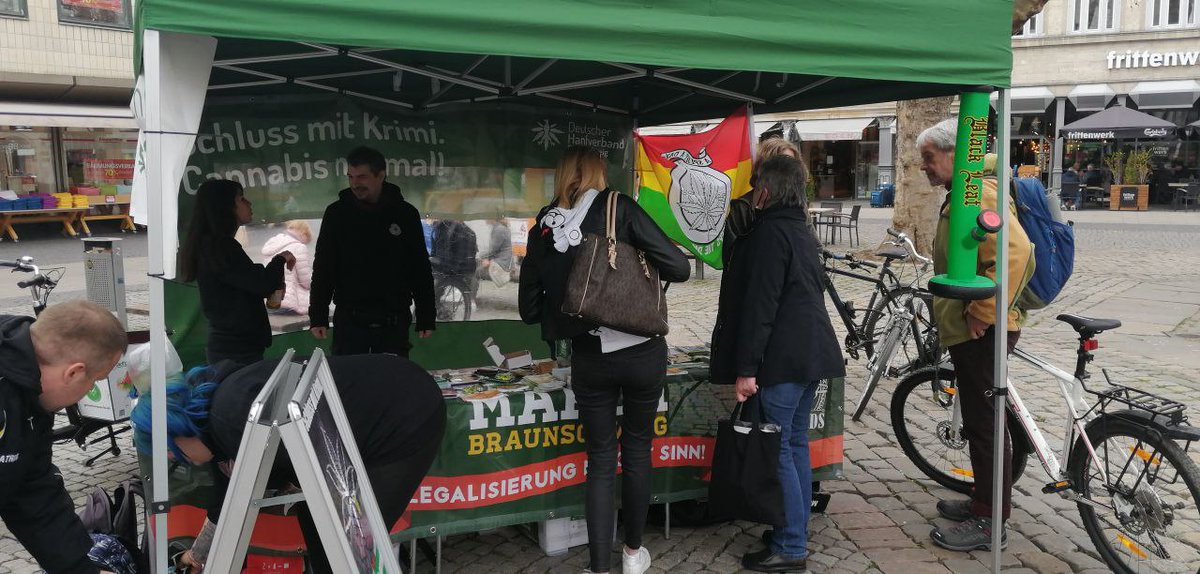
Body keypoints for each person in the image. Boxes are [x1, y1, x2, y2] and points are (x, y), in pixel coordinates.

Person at [518, 146, 689, 574]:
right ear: (599, 172)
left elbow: (528, 307)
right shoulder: (620, 208)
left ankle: (597, 566)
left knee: (599, 460)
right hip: (641, 352)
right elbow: (679, 267)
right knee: (636, 452)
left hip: (588, 358)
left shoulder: (544, 224)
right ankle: (632, 555)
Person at [129, 354, 446, 574]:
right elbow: (224, 504)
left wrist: (197, 554)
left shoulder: (231, 420)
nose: (171, 458)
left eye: (166, 451)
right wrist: (195, 556)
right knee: (320, 524)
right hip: (384, 397)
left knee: (352, 545)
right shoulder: (217, 418)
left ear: (175, 430)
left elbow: (236, 499)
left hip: (403, 417)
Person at [709, 155, 844, 573]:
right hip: (811, 354)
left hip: (784, 360)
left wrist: (746, 370)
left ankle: (790, 544)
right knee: (795, 444)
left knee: (782, 448)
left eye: (752, 189)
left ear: (763, 192)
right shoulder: (799, 229)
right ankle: (794, 532)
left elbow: (760, 308)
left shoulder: (769, 234)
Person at [916, 118, 1034, 552]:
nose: (924, 168)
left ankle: (990, 521)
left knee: (986, 427)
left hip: (982, 328)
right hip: (972, 327)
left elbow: (1015, 252)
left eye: (929, 158)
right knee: (982, 422)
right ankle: (983, 500)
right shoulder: (966, 190)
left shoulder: (977, 190)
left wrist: (983, 311)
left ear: (953, 153)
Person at [0, 301, 127, 574]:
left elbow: (34, 492)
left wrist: (83, 569)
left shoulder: (31, 394)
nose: (90, 388)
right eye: (95, 379)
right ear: (74, 372)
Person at [309, 146, 436, 357]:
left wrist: (426, 315)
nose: (355, 183)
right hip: (350, 318)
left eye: (362, 177)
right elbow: (324, 267)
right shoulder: (337, 214)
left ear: (381, 176)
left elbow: (419, 268)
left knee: (391, 382)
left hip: (393, 318)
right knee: (349, 382)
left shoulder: (405, 214)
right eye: (350, 177)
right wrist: (318, 315)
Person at [179, 179, 296, 365]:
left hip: (235, 346)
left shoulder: (214, 244)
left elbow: (249, 281)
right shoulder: (220, 247)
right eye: (241, 199)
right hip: (235, 350)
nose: (249, 203)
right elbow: (261, 283)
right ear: (225, 207)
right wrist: (281, 258)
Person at [721, 137, 803, 268]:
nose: (789, 171)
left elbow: (814, 247)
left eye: (792, 164)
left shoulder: (796, 206)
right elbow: (731, 259)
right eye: (783, 164)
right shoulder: (742, 207)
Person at [261, 220, 314, 315]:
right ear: (303, 233)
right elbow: (305, 281)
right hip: (290, 303)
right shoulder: (299, 247)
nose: (305, 243)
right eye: (306, 240)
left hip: (272, 301)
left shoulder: (273, 243)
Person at [478, 217, 514, 286]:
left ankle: (469, 294)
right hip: (503, 261)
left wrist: (481, 256)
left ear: (493, 217)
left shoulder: (499, 229)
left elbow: (493, 250)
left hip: (501, 264)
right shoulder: (500, 227)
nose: (485, 218)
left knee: (476, 272)